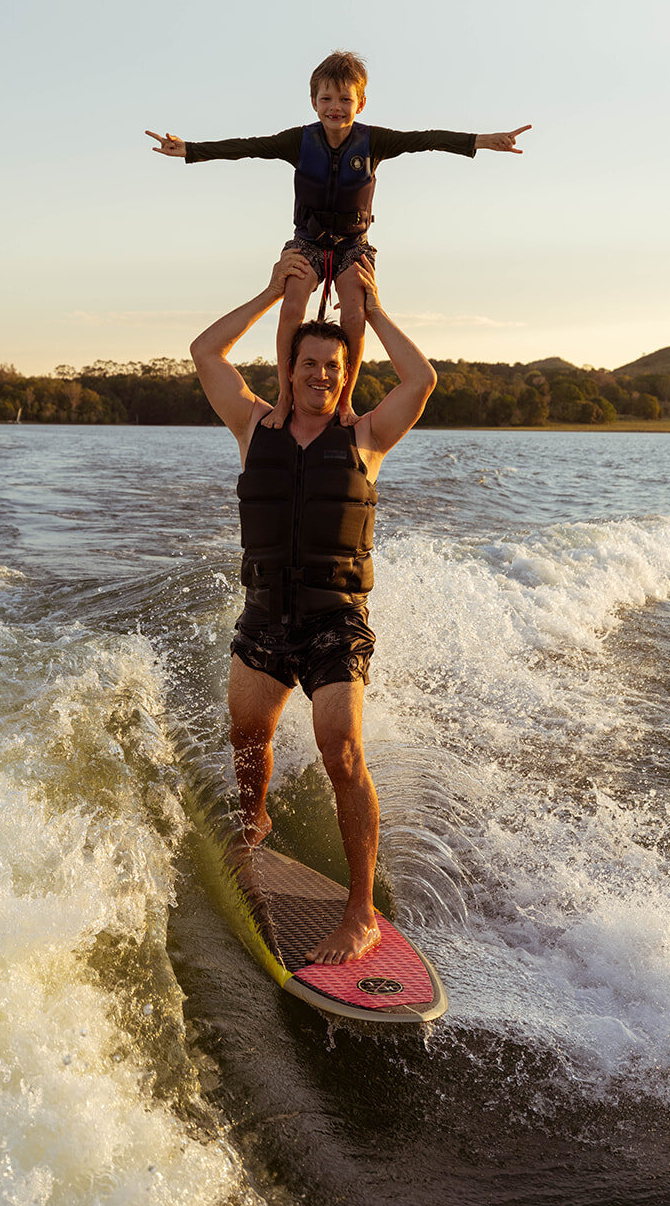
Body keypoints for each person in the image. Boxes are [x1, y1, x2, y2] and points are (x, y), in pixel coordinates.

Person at [190, 246, 437, 965]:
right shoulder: (251, 427)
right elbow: (205, 350)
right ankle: (253, 824)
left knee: (342, 748)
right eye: (308, 365)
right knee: (246, 742)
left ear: (344, 373)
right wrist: (274, 292)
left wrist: (376, 307)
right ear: (288, 370)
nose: (320, 375)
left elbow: (421, 379)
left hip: (334, 623)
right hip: (265, 616)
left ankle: (359, 911)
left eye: (333, 367)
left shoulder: (365, 437)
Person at [149, 48, 528, 427]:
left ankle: (344, 402)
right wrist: (190, 151)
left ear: (360, 103)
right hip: (307, 242)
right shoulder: (297, 141)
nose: (336, 107)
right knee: (293, 301)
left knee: (355, 311)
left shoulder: (373, 141)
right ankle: (285, 398)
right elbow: (249, 147)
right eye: (327, 98)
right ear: (313, 102)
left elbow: (425, 139)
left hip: (353, 245)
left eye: (345, 99)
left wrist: (481, 140)